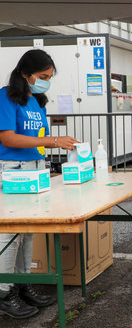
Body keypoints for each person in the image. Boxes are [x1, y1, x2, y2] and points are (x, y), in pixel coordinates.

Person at [0, 49, 79, 319]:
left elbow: (38, 137)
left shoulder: (37, 101)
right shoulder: (6, 97)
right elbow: (8, 139)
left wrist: (53, 147)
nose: (46, 81)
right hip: (12, 171)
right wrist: (53, 142)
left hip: (35, 169)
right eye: (42, 76)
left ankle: (22, 285)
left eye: (49, 77)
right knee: (9, 233)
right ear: (25, 73)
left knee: (29, 231)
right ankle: (4, 290)